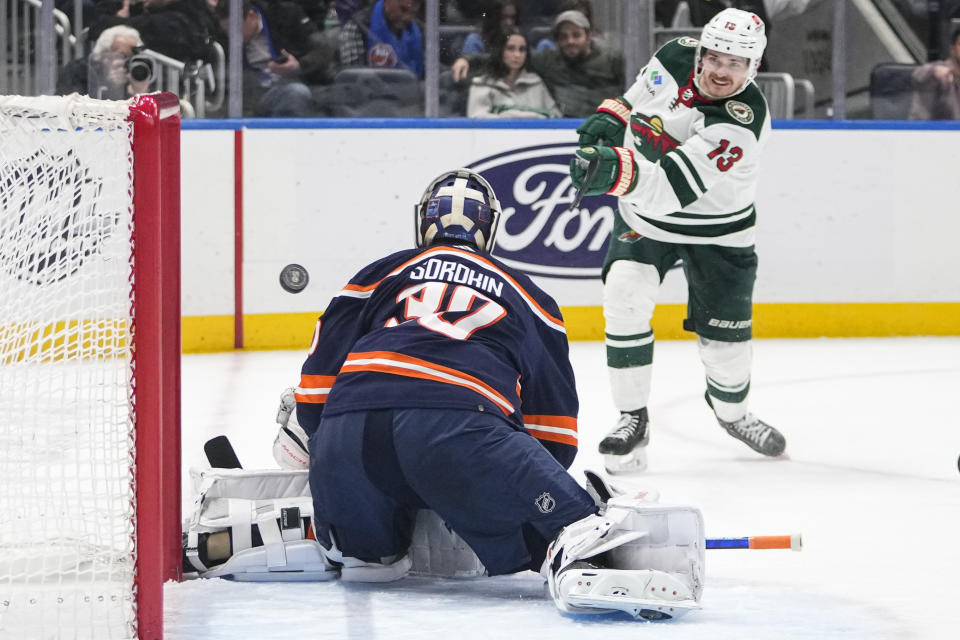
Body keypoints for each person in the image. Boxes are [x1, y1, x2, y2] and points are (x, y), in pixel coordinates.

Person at [568, 8, 786, 473]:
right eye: (716, 57)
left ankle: (733, 414)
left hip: (719, 233)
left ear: (754, 69)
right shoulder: (674, 55)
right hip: (644, 220)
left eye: (736, 63)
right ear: (701, 52)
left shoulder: (740, 123)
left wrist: (613, 168)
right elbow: (634, 102)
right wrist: (610, 121)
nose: (722, 71)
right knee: (624, 294)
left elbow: (669, 189)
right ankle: (632, 418)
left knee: (724, 353)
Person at [452, 8, 624, 118]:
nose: (570, 41)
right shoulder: (547, 60)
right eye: (563, 37)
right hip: (567, 128)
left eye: (576, 35)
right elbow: (504, 57)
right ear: (556, 40)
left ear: (588, 35)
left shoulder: (612, 59)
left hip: (606, 124)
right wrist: (467, 59)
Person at [216, 0, 335, 117]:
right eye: (227, 31)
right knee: (296, 93)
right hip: (258, 96)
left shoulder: (287, 15)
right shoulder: (222, 39)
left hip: (303, 84)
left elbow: (322, 50)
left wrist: (300, 66)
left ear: (251, 16)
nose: (232, 36)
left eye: (236, 30)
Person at [466, 27, 561, 118]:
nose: (517, 55)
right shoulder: (481, 84)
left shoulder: (536, 83)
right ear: (500, 51)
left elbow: (555, 116)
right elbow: (477, 120)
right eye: (510, 48)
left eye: (522, 49)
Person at [56, 25, 151, 99]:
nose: (129, 62)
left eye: (134, 57)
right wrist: (111, 87)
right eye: (123, 56)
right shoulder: (78, 70)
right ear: (103, 54)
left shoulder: (139, 71)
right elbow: (68, 104)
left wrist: (140, 93)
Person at [339, 0, 424, 77]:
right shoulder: (356, 29)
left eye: (413, 13)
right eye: (403, 9)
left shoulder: (419, 32)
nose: (408, 18)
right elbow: (354, 82)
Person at [909, 26, 960, 120]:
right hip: (938, 132)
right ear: (953, 49)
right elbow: (919, 76)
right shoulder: (939, 72)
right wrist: (933, 73)